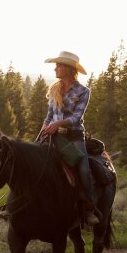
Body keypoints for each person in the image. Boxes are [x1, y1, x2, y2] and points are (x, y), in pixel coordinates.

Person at [40, 51, 99, 225]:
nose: (55, 69)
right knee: (32, 161)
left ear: (67, 68)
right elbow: (49, 116)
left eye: (58, 66)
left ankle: (88, 208)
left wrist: (58, 125)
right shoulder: (54, 89)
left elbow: (76, 118)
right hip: (53, 136)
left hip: (74, 138)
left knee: (83, 170)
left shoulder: (83, 91)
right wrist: (44, 129)